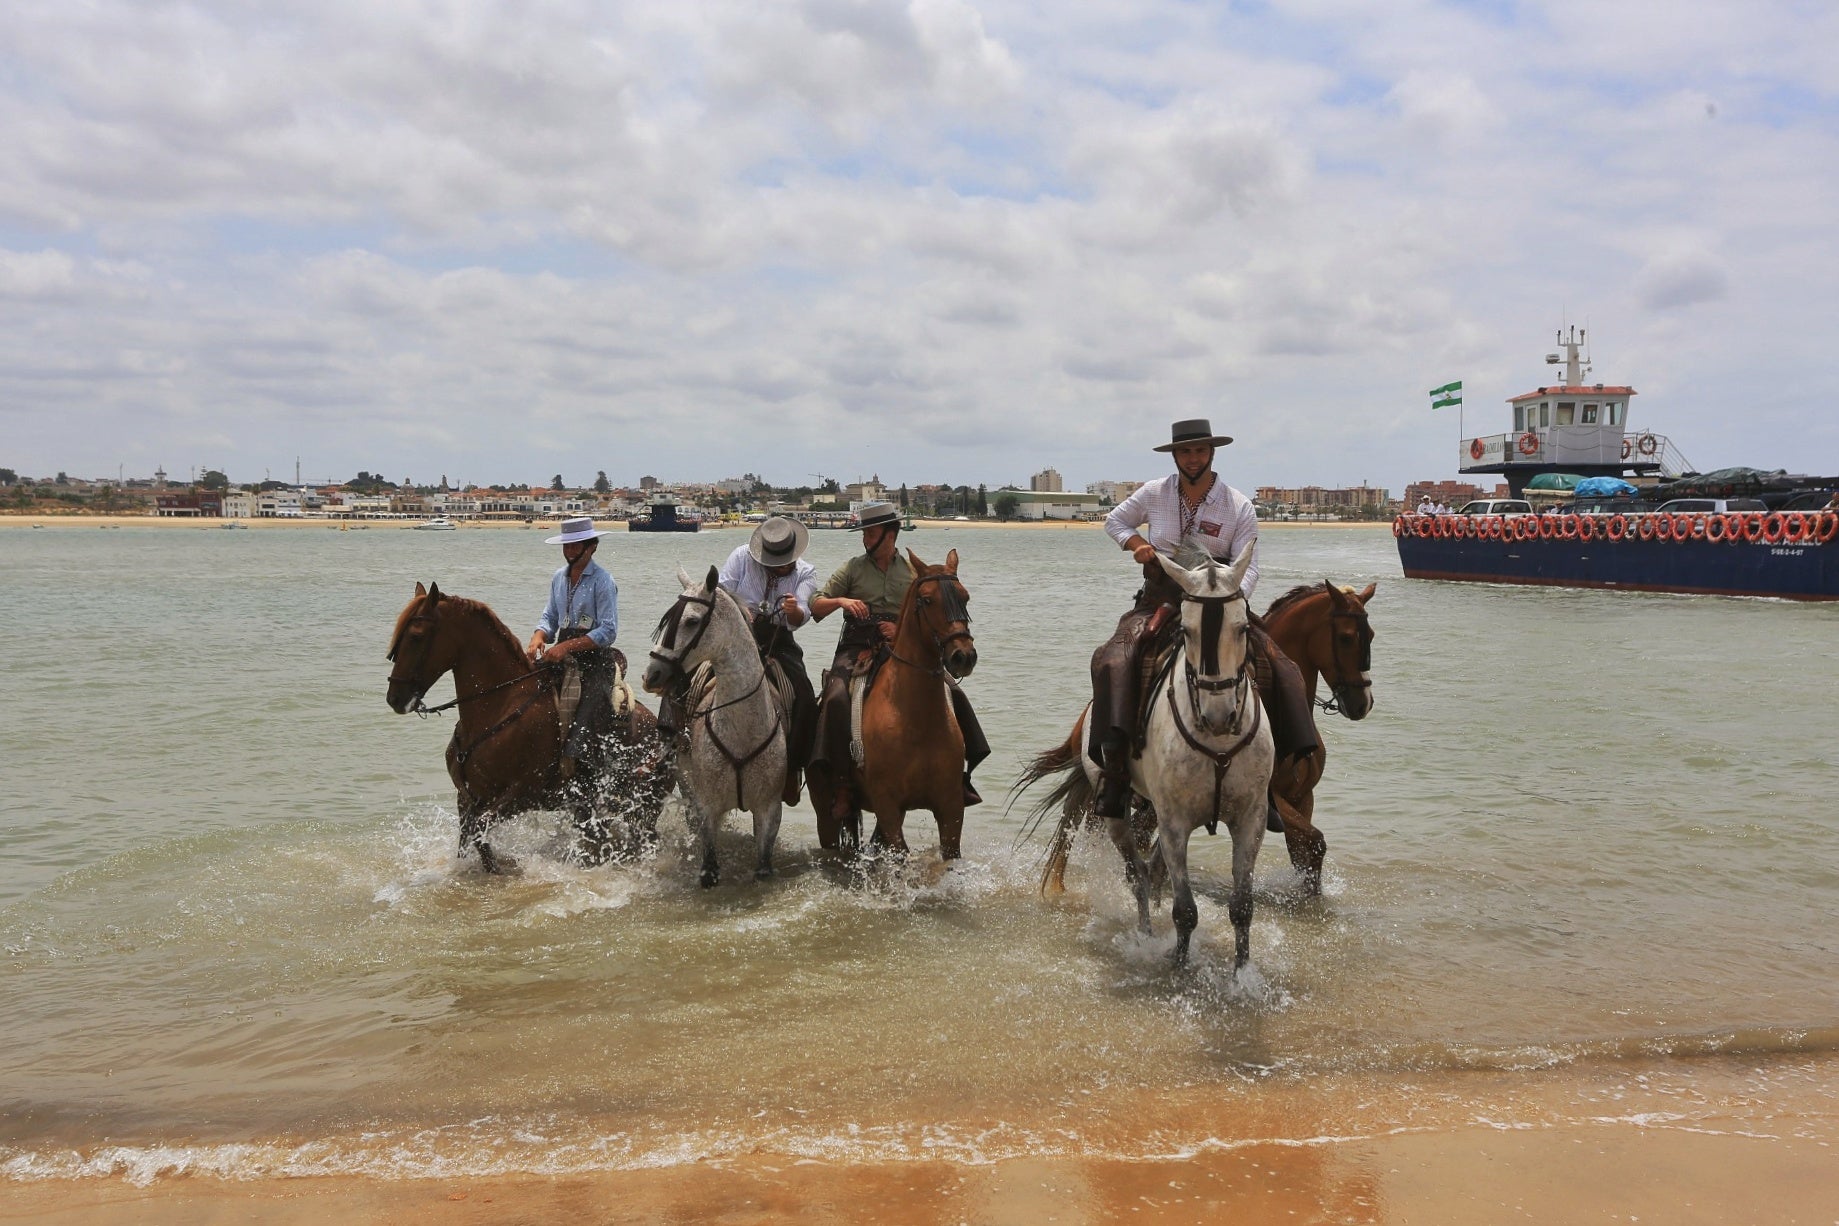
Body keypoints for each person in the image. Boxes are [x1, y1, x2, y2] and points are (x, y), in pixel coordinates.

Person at [1090, 418, 1319, 822]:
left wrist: (1228, 600)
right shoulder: (1154, 492)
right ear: (1175, 455)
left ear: (1212, 453)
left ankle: (1277, 778)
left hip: (1223, 604)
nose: (1193, 458)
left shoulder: (1237, 505)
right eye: (1185, 451)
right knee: (1114, 660)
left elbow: (1252, 569)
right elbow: (1114, 521)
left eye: (1199, 450)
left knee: (1283, 668)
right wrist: (1138, 544)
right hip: (1160, 599)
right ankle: (1116, 772)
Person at [809, 501, 989, 820]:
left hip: (900, 646)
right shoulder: (852, 568)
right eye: (864, 533)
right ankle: (840, 784)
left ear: (890, 535)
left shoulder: (911, 573)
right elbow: (816, 606)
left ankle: (960, 776)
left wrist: (899, 627)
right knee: (836, 697)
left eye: (871, 533)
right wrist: (842, 601)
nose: (866, 539)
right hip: (857, 646)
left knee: (955, 692)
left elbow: (926, 615)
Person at [717, 516, 819, 806]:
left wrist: (792, 611)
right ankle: (675, 741)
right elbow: (721, 593)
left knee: (804, 696)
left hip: (778, 639)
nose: (778, 567)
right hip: (737, 635)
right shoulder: (740, 557)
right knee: (688, 673)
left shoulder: (806, 573)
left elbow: (801, 614)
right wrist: (741, 611)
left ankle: (792, 769)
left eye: (783, 562)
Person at [525, 515, 620, 771]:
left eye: (575, 545)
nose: (569, 551)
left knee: (586, 721)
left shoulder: (603, 581)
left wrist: (566, 646)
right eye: (567, 546)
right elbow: (550, 617)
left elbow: (608, 631)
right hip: (560, 657)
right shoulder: (558, 578)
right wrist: (538, 637)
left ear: (591, 546)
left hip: (595, 662)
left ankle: (588, 774)